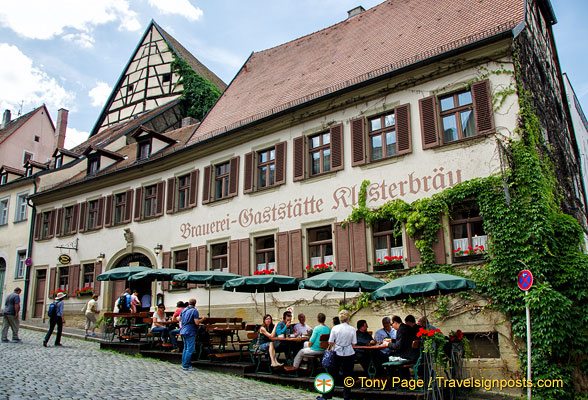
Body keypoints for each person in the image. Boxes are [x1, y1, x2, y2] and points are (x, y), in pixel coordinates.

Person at [321, 309, 356, 400]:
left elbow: (331, 342)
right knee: (348, 375)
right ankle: (346, 395)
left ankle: (327, 395)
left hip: (337, 352)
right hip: (349, 353)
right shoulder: (352, 329)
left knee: (332, 374)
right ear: (348, 319)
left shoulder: (335, 328)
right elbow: (354, 343)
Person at [179, 298, 206, 371]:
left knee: (185, 348)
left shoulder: (184, 310)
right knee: (190, 349)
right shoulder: (194, 311)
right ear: (195, 303)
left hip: (183, 330)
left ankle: (183, 364)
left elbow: (179, 319)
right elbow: (196, 322)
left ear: (188, 303)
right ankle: (186, 365)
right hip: (190, 331)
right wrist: (202, 319)